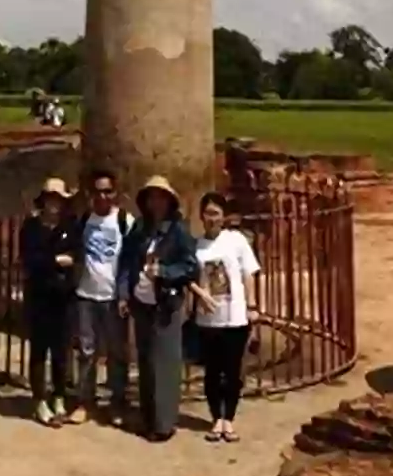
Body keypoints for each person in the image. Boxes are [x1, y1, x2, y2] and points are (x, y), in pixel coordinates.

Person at [117, 175, 198, 442]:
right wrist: (123, 294)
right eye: (151, 197)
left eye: (161, 197)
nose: (156, 202)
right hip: (142, 303)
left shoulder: (178, 232)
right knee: (146, 362)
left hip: (166, 305)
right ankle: (149, 418)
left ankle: (164, 424)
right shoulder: (140, 229)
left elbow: (190, 267)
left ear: (169, 201)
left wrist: (163, 271)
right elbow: (127, 262)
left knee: (166, 364)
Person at [191, 192, 261, 443]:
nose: (211, 219)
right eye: (207, 213)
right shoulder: (196, 246)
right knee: (212, 371)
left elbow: (248, 274)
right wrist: (200, 294)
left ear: (223, 216)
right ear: (201, 216)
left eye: (216, 213)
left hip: (235, 315)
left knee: (232, 371)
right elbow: (189, 278)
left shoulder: (236, 240)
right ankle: (215, 418)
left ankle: (228, 418)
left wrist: (252, 306)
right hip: (208, 318)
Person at [66, 172, 133, 426]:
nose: (102, 196)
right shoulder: (84, 220)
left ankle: (117, 402)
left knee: (117, 352)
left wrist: (124, 294)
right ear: (90, 195)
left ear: (115, 193)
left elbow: (129, 261)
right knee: (86, 351)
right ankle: (85, 400)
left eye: (107, 191)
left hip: (113, 296)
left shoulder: (124, 221)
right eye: (97, 192)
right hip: (86, 294)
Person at [18, 177, 78, 427]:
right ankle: (40, 400)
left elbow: (77, 252)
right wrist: (55, 261)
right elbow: (30, 260)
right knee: (39, 351)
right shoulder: (31, 227)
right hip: (39, 295)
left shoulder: (69, 226)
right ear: (43, 201)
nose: (54, 204)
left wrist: (67, 260)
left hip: (62, 297)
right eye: (50, 199)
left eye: (59, 200)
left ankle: (59, 397)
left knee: (61, 351)